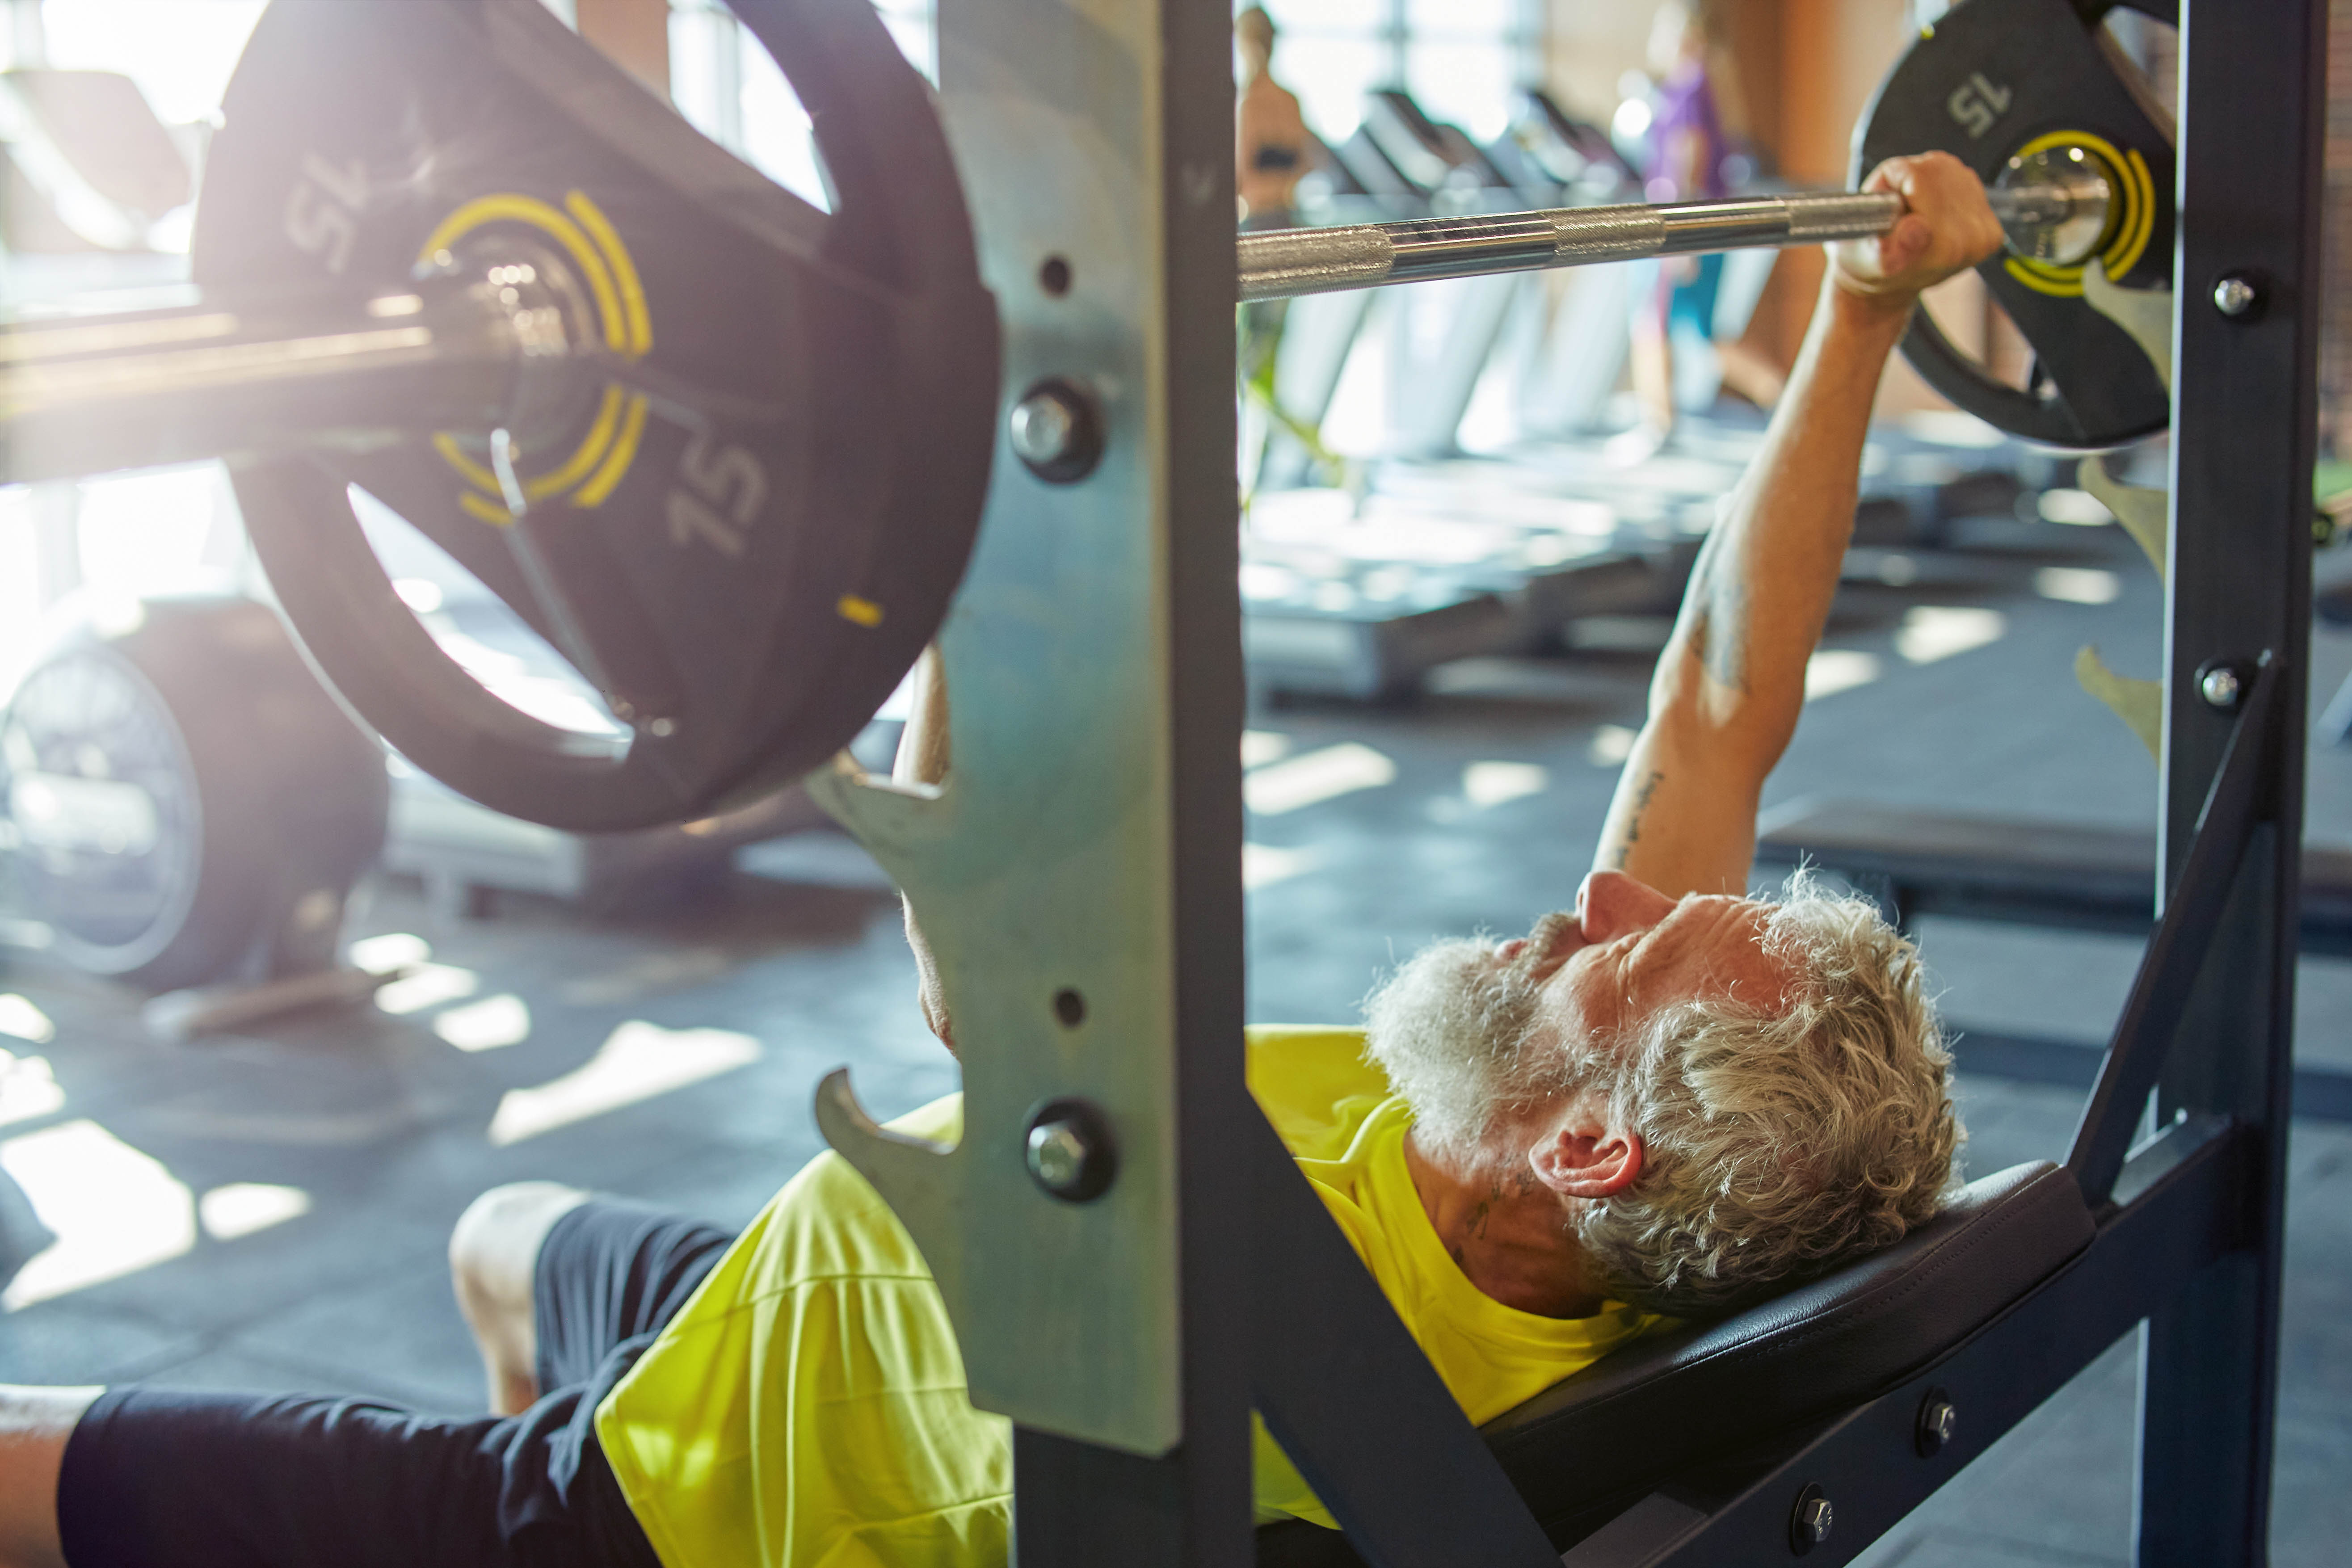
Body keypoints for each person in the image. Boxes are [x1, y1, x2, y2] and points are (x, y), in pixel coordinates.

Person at [0, 152, 2001, 1568]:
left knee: (30, 1470)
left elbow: (993, 921)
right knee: (504, 1233)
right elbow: (1717, 700)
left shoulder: (1254, 1291)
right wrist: (1852, 301)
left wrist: (1010, 419)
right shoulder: (1612, 1219)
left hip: (693, 1499)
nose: (1601, 897)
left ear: (1588, 1145)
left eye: (1622, 954)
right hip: (791, 1305)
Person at [1617, 0, 1788, 461]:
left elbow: (1687, 160)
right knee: (1702, 333)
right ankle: (1784, 399)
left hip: (1683, 224)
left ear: (1685, 33)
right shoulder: (1699, 84)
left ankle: (1660, 425)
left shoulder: (1691, 85)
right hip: (1694, 224)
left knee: (1656, 326)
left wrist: (1678, 236)